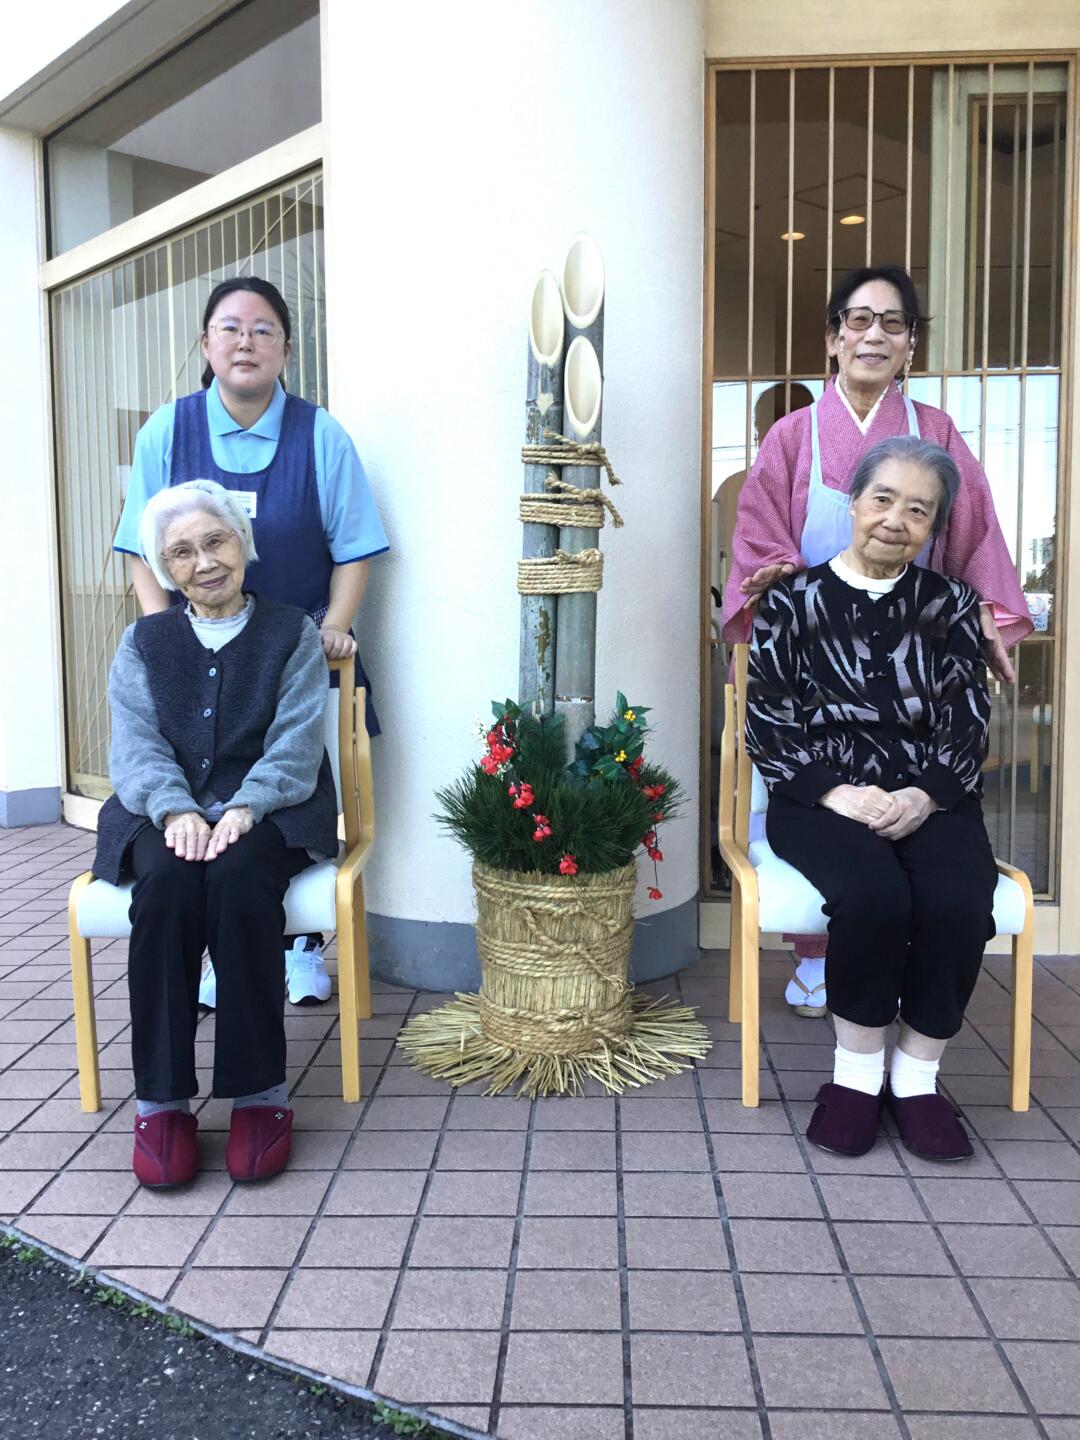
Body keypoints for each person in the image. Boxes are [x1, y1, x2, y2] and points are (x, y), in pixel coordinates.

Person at [722, 264, 1031, 1018]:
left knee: (913, 813)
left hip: (911, 665)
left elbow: (973, 533)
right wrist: (778, 580)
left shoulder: (937, 433)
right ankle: (821, 955)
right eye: (858, 321)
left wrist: (982, 613)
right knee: (823, 808)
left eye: (893, 323)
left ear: (910, 345)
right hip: (813, 658)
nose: (874, 336)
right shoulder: (793, 435)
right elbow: (759, 537)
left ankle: (900, 955)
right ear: (833, 339)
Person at [113, 276, 387, 1008]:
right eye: (230, 328)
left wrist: (334, 625)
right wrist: (161, 638)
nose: (246, 341)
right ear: (206, 345)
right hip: (197, 652)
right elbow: (138, 548)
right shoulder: (166, 431)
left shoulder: (319, 434)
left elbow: (355, 547)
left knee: (289, 797)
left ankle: (300, 949)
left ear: (286, 351)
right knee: (199, 789)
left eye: (264, 330)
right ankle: (214, 953)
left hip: (293, 654)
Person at [745, 437, 996, 1161]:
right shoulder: (790, 602)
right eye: (883, 499)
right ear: (852, 503)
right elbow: (769, 721)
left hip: (932, 795)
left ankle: (916, 1081)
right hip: (817, 799)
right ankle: (855, 1079)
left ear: (934, 528)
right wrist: (838, 794)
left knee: (958, 899)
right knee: (873, 896)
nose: (895, 520)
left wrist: (924, 795)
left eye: (919, 510)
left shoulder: (951, 605)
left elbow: (969, 718)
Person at [96, 481, 338, 1188]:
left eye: (215, 541)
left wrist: (246, 806)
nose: (203, 562)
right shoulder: (143, 642)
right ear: (164, 568)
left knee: (238, 880)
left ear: (242, 543)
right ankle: (161, 1102)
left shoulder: (291, 631)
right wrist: (176, 809)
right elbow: (136, 745)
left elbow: (297, 740)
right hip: (159, 810)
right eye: (181, 552)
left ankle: (259, 1095)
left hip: (273, 806)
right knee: (167, 888)